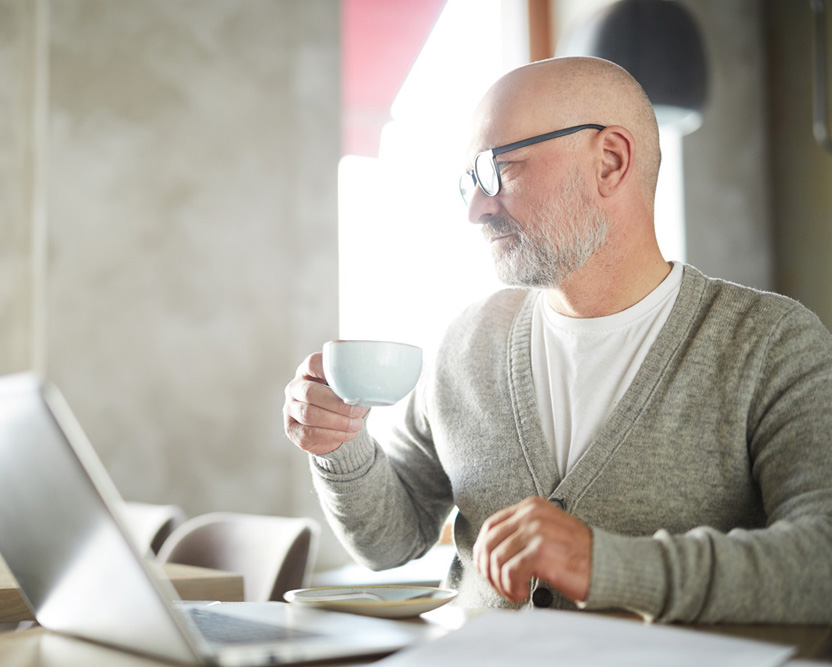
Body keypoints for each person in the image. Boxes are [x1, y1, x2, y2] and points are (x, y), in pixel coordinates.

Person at [282, 56, 832, 624]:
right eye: (469, 181)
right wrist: (339, 444)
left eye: (500, 168)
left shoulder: (772, 344)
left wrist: (609, 566)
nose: (476, 209)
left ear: (611, 162)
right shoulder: (468, 343)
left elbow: (821, 561)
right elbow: (391, 541)